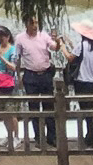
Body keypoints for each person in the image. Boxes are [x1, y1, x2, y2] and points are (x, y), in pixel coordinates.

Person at [14, 15, 61, 147]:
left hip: (46, 74)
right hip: (30, 76)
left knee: (49, 107)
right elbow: (17, 58)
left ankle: (52, 137)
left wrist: (57, 41)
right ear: (26, 24)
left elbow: (54, 47)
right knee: (34, 109)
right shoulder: (20, 38)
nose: (35, 26)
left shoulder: (44, 36)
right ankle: (39, 138)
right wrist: (18, 77)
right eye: (32, 23)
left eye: (36, 23)